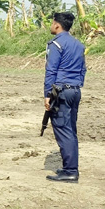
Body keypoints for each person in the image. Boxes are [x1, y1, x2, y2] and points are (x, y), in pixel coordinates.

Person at [44, 12, 86, 183]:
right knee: (71, 129)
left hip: (61, 91)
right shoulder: (79, 45)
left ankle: (70, 171)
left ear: (57, 25)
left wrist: (48, 94)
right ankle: (71, 167)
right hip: (75, 90)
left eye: (52, 22)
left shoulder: (56, 44)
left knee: (63, 129)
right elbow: (83, 70)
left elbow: (51, 71)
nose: (51, 25)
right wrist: (76, 84)